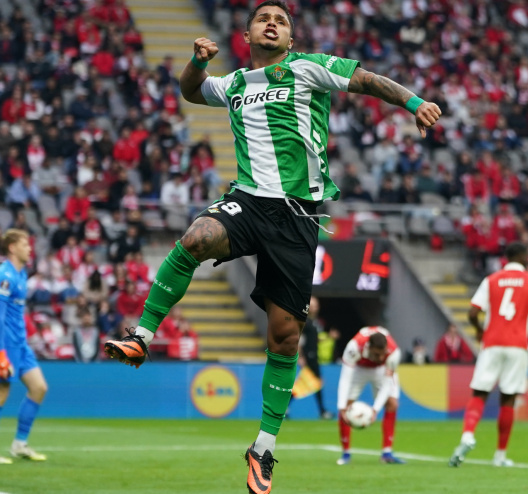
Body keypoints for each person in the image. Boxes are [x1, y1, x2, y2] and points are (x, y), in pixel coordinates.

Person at [102, 2, 440, 492]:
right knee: (196, 237)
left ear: (290, 36)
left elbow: (366, 80)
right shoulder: (236, 83)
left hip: (298, 217)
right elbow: (192, 91)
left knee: (283, 338)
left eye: (281, 19)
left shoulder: (308, 68)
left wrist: (414, 103)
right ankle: (143, 337)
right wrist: (197, 61)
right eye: (264, 18)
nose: (272, 23)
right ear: (246, 33)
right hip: (247, 201)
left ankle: (263, 448)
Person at [449, 242, 528, 468]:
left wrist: (479, 330)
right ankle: (500, 455)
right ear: (523, 257)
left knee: (479, 393)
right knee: (508, 399)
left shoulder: (491, 280)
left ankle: (468, 435)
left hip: (492, 343)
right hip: (517, 345)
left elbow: (472, 312)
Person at [0, 229, 48, 464]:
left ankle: (19, 444)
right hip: (5, 345)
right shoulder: (4, 277)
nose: (29, 248)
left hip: (20, 344)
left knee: (39, 387)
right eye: (25, 244)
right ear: (12, 248)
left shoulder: (21, 275)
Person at [336, 326, 405, 466]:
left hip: (381, 371)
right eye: (376, 354)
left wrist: (375, 410)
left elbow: (387, 385)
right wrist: (341, 407)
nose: (380, 357)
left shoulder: (393, 353)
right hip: (359, 369)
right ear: (369, 348)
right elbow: (345, 379)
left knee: (392, 404)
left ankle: (387, 453)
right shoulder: (354, 347)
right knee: (345, 406)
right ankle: (346, 453)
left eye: (382, 354)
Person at [295, 296, 332, 418]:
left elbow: (313, 340)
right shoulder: (304, 321)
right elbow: (299, 340)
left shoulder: (314, 322)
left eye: (316, 305)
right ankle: (322, 411)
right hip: (308, 357)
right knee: (316, 383)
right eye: (313, 305)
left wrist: (328, 337)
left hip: (314, 356)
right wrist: (300, 356)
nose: (315, 307)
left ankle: (322, 411)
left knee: (309, 384)